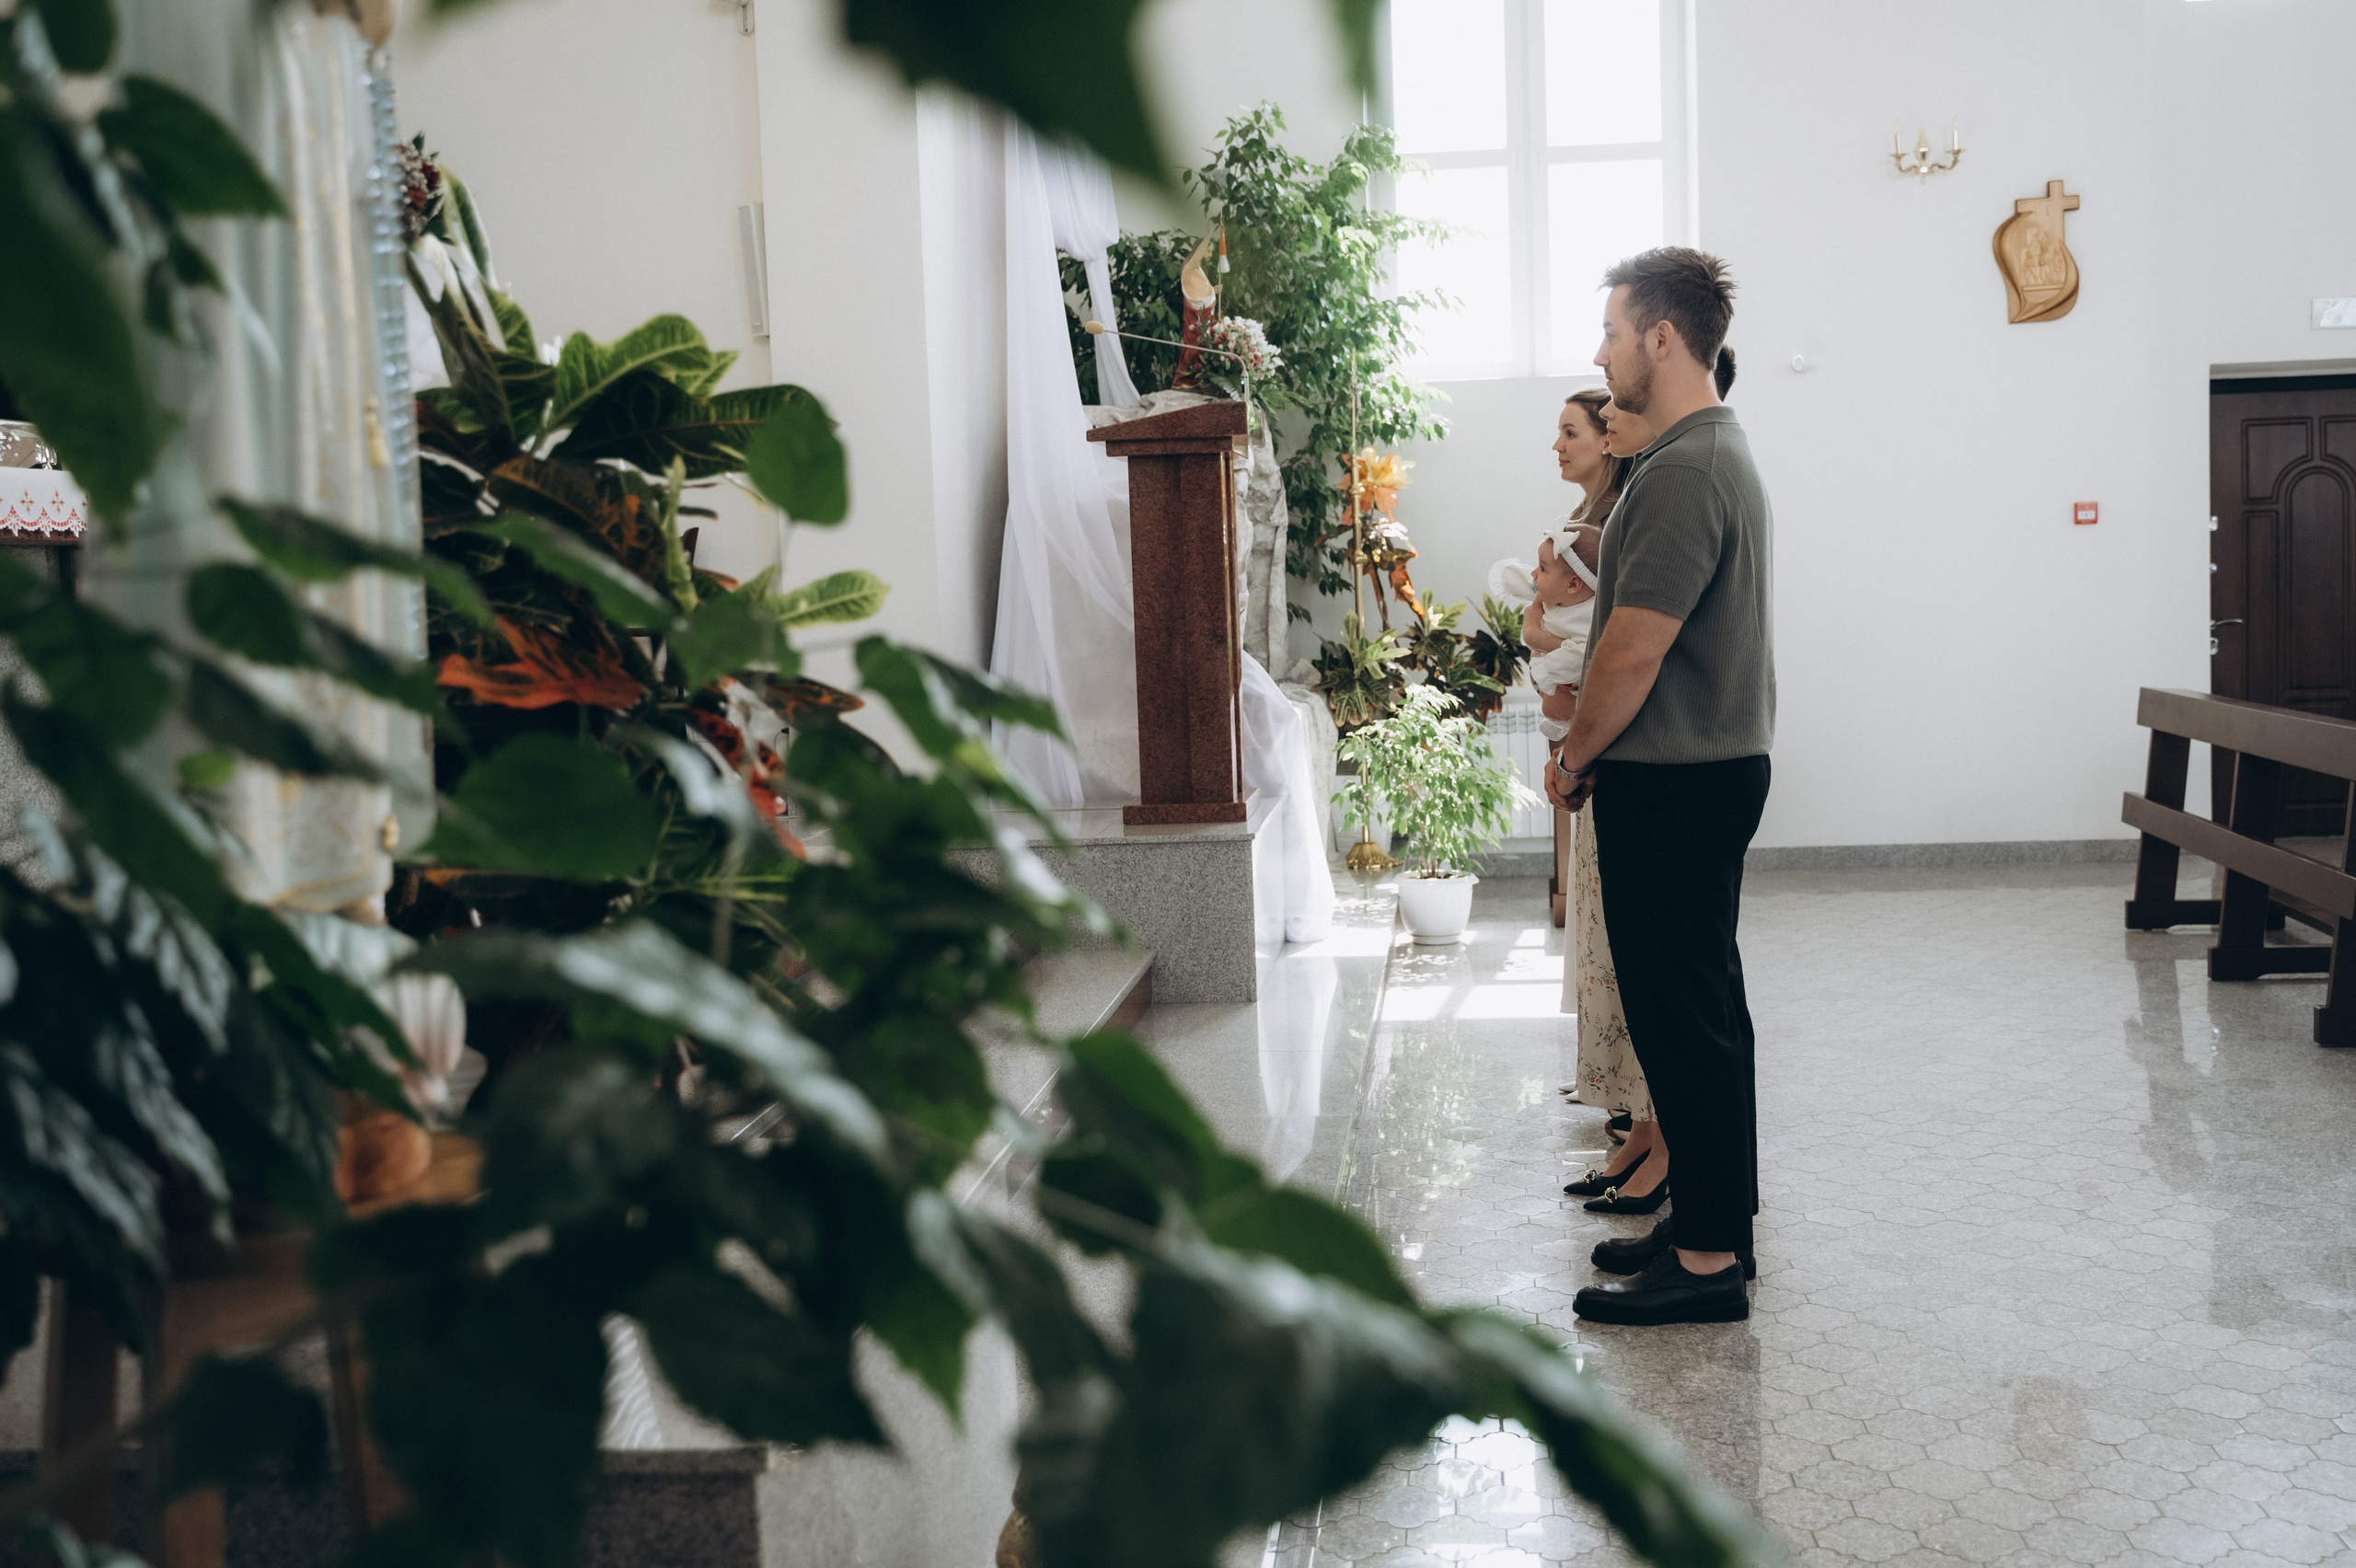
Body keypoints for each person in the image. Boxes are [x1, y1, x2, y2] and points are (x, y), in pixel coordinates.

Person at [1549, 248, 1774, 1327]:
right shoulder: (1704, 451)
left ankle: (1705, 1261)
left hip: (1677, 776)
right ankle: (1713, 1226)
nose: (1599, 352)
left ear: (1662, 339)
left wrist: (1573, 754)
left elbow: (1634, 649)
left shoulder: (1685, 466)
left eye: (1609, 331)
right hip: (1702, 771)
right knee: (1703, 1010)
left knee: (1684, 1018)